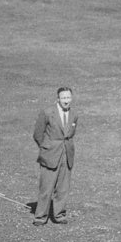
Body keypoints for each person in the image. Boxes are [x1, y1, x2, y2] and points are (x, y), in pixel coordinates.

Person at [32, 87, 78, 226]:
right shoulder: (47, 112)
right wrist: (47, 148)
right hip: (50, 154)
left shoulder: (74, 114)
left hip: (66, 154)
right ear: (58, 99)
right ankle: (40, 217)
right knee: (46, 187)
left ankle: (59, 215)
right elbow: (38, 134)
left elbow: (70, 134)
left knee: (63, 187)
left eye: (68, 98)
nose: (66, 101)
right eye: (63, 98)